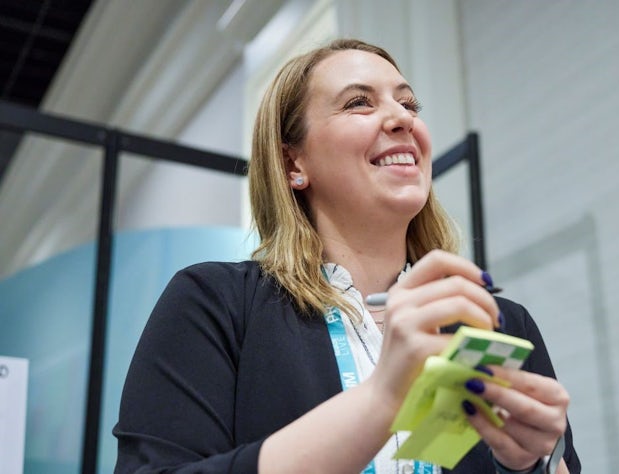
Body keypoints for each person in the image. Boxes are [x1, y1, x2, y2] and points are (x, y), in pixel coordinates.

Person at [113, 38, 581, 474]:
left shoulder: (494, 323)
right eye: (359, 102)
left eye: (409, 103)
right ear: (294, 164)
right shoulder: (216, 302)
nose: (402, 119)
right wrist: (381, 399)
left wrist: (528, 464)